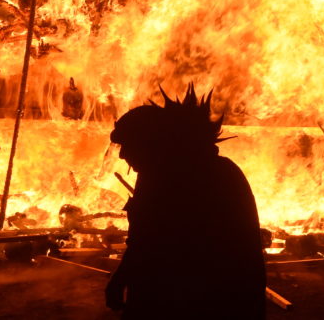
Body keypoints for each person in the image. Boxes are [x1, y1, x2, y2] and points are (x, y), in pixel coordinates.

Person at [105, 85, 266, 319]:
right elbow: (143, 240)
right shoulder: (166, 174)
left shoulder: (173, 179)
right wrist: (122, 278)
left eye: (128, 145)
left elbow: (151, 244)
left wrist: (123, 281)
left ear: (152, 143)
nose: (122, 155)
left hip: (203, 301)